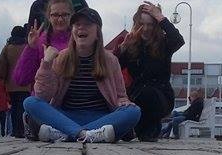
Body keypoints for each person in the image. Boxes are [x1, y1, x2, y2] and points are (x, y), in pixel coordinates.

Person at [23, 7, 141, 143]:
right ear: (72, 31)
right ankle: (87, 134)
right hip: (65, 117)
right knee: (30, 102)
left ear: (97, 32)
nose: (81, 27)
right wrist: (46, 64)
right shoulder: (61, 58)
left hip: (101, 117)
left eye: (87, 24)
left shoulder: (110, 60)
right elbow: (43, 96)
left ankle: (66, 134)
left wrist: (124, 102)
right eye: (77, 24)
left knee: (133, 111)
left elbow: (121, 96)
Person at [116, 2, 185, 142]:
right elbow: (114, 67)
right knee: (132, 99)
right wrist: (122, 49)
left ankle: (147, 129)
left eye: (150, 25)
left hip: (160, 96)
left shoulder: (164, 43)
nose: (146, 29)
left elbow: (178, 40)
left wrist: (160, 17)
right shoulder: (131, 45)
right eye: (142, 24)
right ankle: (131, 127)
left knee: (147, 94)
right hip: (135, 94)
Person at [13, 0, 76, 140]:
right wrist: (30, 47)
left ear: (71, 16)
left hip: (74, 103)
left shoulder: (79, 39)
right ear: (48, 16)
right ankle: (73, 131)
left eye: (65, 15)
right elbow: (21, 79)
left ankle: (63, 132)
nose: (60, 19)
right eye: (55, 15)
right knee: (31, 103)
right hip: (47, 103)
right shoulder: (39, 41)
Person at [0, 25, 31, 137]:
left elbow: (0, 64)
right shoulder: (27, 47)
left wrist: (3, 77)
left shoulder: (7, 48)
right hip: (26, 83)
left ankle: (16, 130)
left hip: (11, 84)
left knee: (14, 108)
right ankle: (24, 129)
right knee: (24, 108)